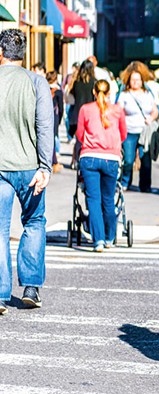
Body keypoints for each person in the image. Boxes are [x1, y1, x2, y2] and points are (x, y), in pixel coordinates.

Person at [0, 29, 54, 315]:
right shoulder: (36, 82)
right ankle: (31, 287)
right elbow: (45, 127)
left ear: (1, 52)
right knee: (34, 222)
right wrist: (46, 165)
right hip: (29, 166)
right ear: (23, 54)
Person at [76, 79, 127, 252]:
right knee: (108, 199)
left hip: (89, 156)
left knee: (93, 199)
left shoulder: (85, 109)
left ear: (94, 92)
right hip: (111, 158)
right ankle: (109, 237)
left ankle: (98, 240)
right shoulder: (117, 110)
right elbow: (124, 134)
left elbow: (80, 133)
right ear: (110, 93)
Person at [116, 61, 158, 192]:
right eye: (133, 80)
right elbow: (118, 111)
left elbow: (155, 110)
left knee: (146, 160)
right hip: (129, 131)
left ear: (142, 80)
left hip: (144, 131)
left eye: (138, 80)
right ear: (128, 80)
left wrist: (151, 118)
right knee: (128, 159)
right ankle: (125, 182)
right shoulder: (124, 95)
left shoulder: (148, 94)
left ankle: (145, 185)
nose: (135, 82)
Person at [67, 59, 97, 167]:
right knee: (88, 139)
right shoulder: (94, 82)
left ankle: (75, 160)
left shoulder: (76, 82)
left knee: (78, 139)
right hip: (91, 114)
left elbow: (72, 96)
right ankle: (84, 160)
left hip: (77, 112)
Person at [46, 71, 64, 173]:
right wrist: (60, 118)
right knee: (54, 137)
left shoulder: (43, 88)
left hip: (44, 115)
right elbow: (61, 108)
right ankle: (55, 159)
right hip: (54, 116)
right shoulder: (58, 91)